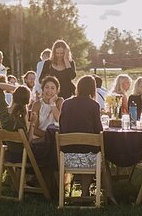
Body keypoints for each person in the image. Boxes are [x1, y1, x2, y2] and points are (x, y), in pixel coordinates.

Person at [59, 75, 115, 203]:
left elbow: (61, 127)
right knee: (100, 158)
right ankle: (107, 195)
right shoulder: (93, 105)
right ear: (93, 89)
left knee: (87, 151)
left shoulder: (66, 103)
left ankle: (80, 195)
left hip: (67, 156)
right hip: (89, 158)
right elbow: (98, 131)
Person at [31, 75, 62, 140]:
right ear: (43, 89)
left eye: (52, 88)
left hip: (56, 138)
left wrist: (52, 103)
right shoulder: (37, 104)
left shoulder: (60, 101)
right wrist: (48, 136)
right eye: (47, 87)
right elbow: (34, 129)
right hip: (40, 138)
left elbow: (59, 120)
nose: (49, 90)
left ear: (56, 91)